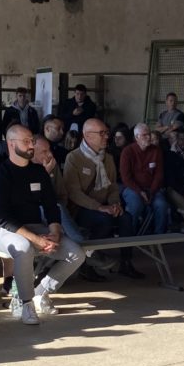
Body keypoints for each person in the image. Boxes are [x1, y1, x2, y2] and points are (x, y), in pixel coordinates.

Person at [0, 125, 86, 324]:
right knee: (23, 248)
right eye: (26, 141)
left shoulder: (38, 172)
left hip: (37, 228)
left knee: (77, 253)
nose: (31, 145)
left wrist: (55, 233)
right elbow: (2, 218)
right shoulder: (0, 175)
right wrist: (36, 239)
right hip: (4, 231)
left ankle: (40, 292)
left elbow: (51, 206)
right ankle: (26, 304)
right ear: (11, 144)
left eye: (32, 140)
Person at [63, 118, 144, 280]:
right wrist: (99, 207)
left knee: (126, 218)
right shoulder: (74, 158)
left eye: (107, 132)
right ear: (87, 136)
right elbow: (73, 193)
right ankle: (87, 263)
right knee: (104, 220)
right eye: (102, 133)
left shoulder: (107, 158)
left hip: (105, 206)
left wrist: (115, 204)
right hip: (81, 208)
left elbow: (113, 186)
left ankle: (126, 263)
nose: (107, 136)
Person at [119, 122, 170, 234]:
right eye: (144, 135)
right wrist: (140, 191)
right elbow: (126, 178)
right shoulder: (127, 152)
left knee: (161, 205)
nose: (148, 137)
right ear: (137, 137)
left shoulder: (156, 150)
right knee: (136, 205)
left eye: (149, 134)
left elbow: (159, 174)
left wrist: (151, 192)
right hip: (132, 188)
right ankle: (128, 236)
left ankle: (158, 238)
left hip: (152, 188)